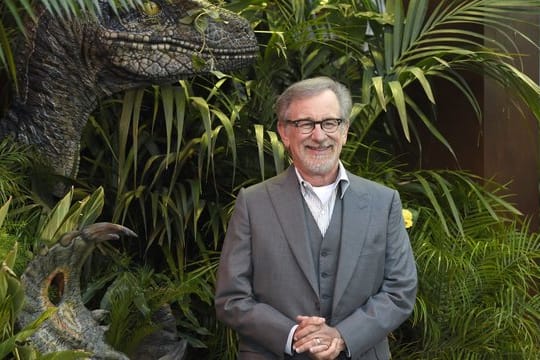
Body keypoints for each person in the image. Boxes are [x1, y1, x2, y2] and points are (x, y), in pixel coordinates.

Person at [215, 76, 417, 360]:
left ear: (344, 131)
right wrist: (292, 335)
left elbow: (400, 290)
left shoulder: (383, 202)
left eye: (329, 123)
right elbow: (231, 298)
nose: (319, 135)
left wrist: (343, 335)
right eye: (305, 124)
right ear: (285, 133)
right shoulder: (253, 203)